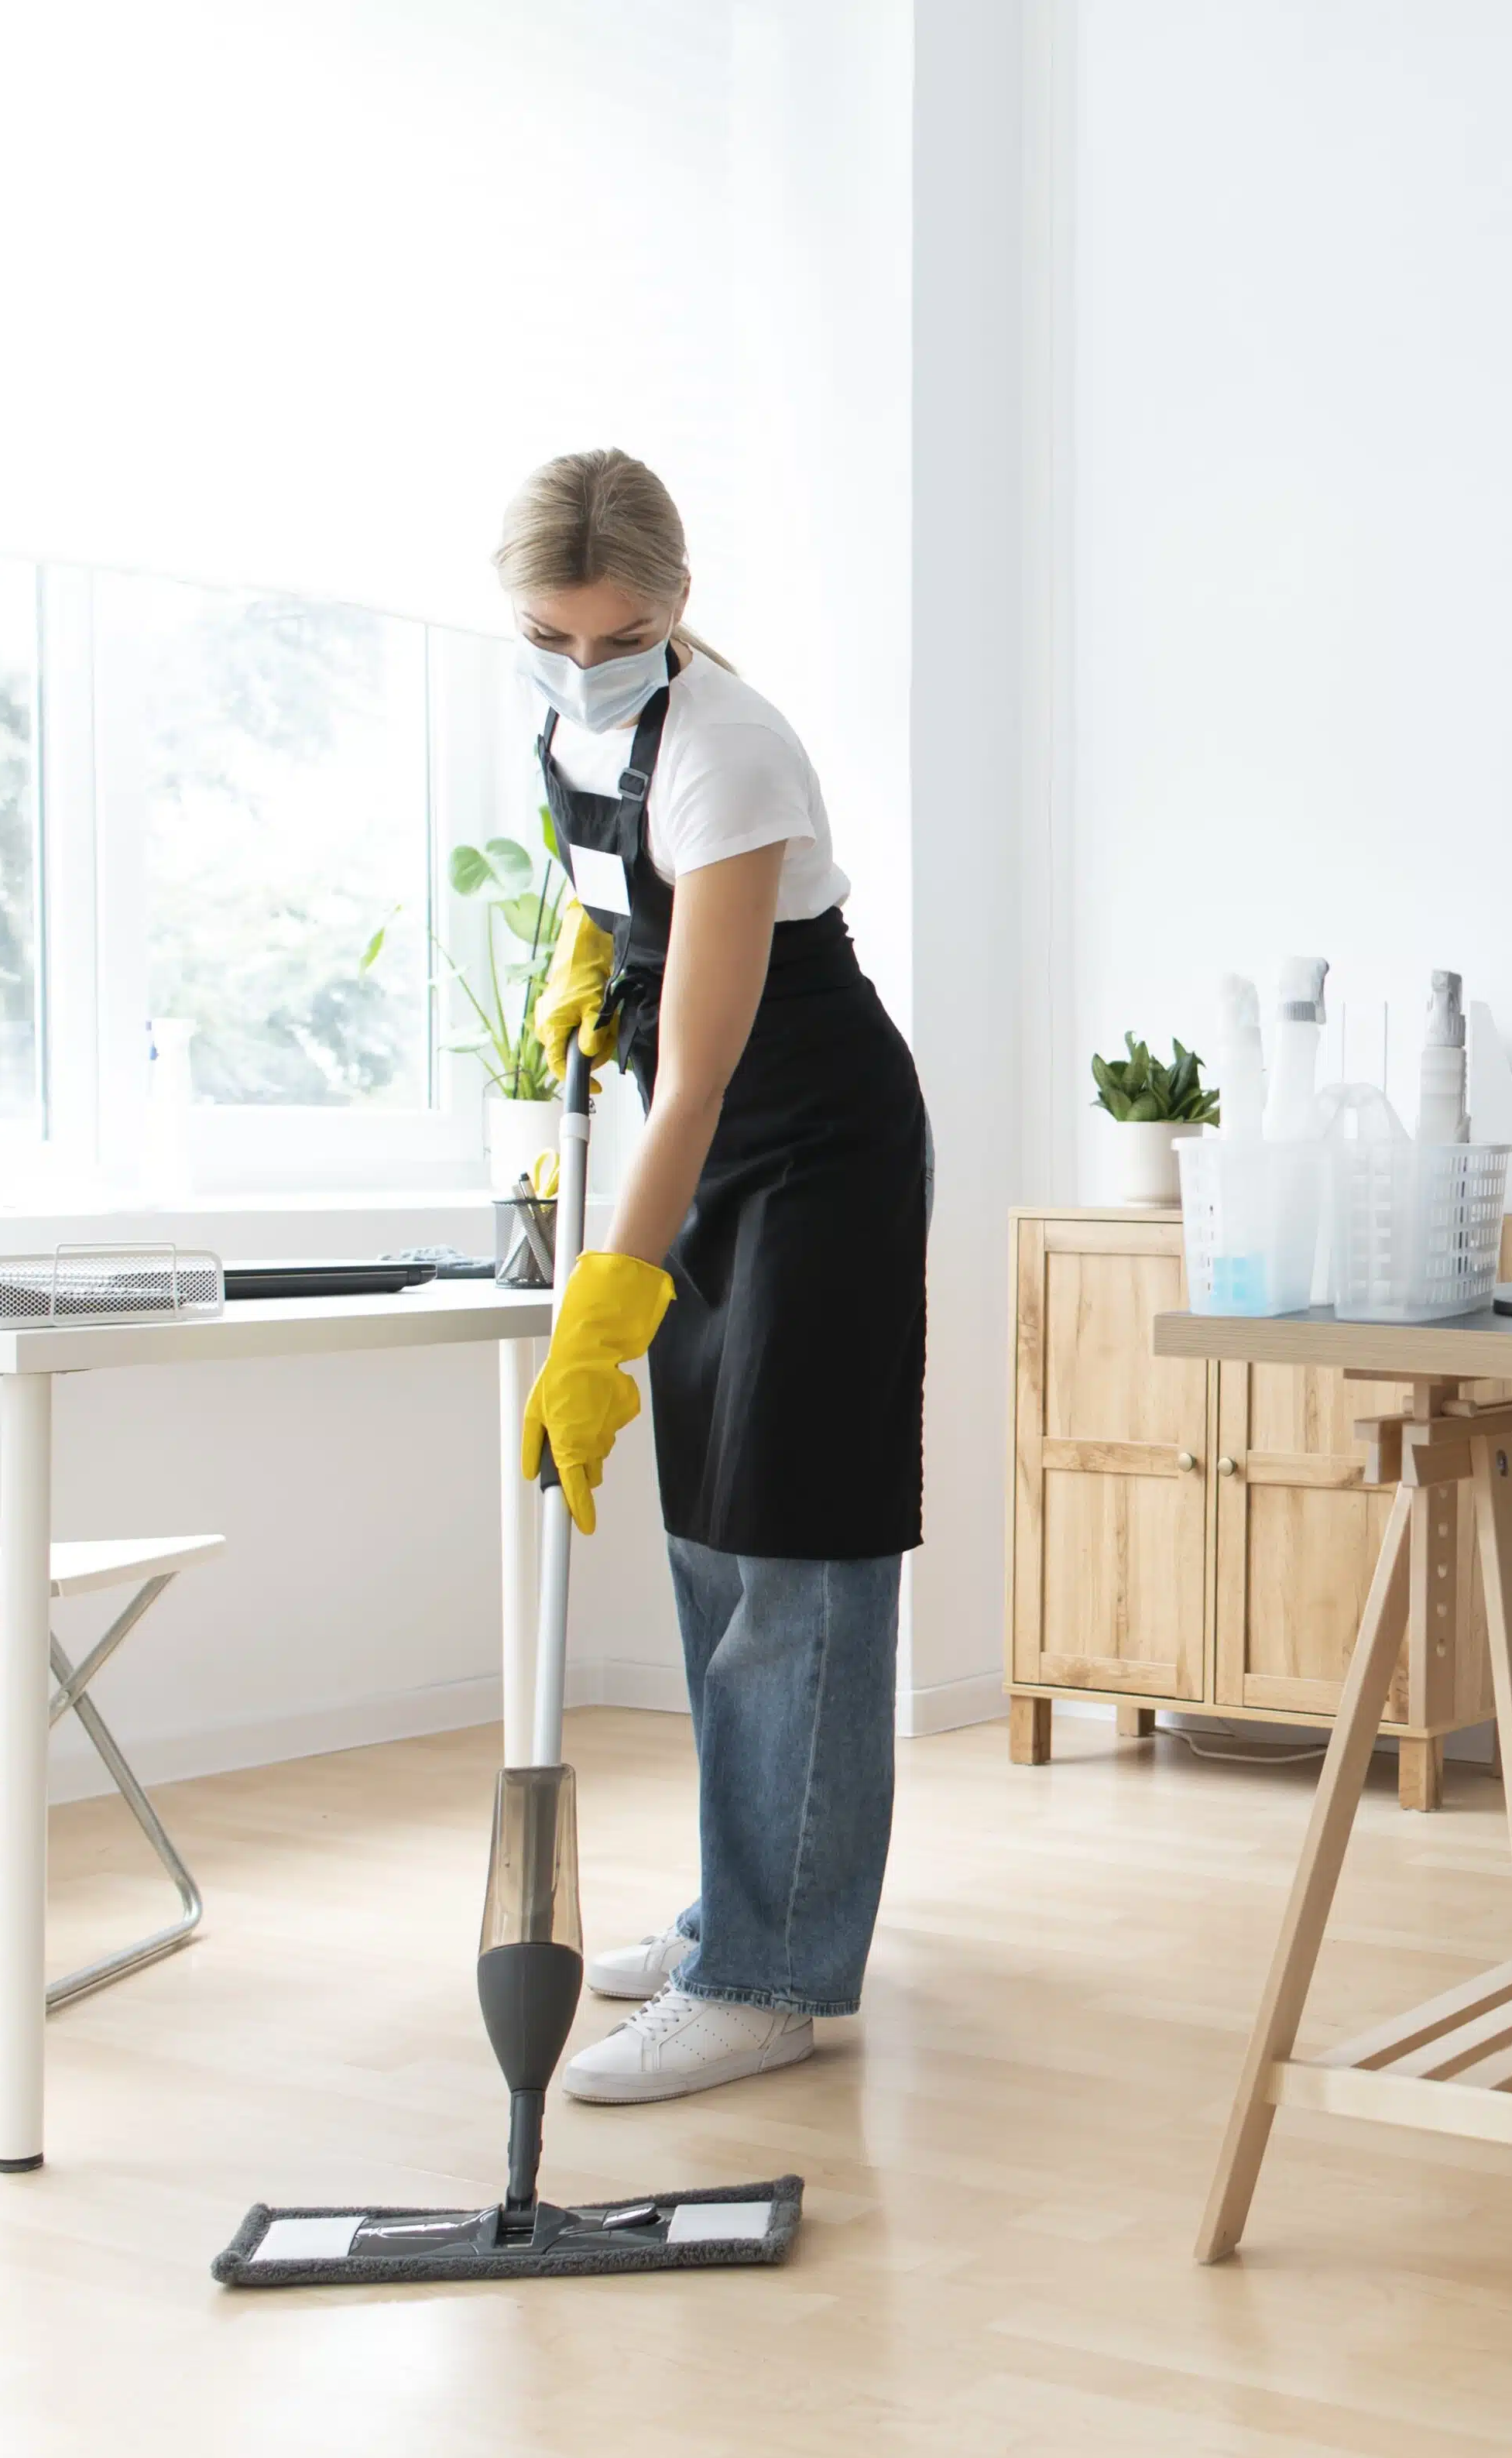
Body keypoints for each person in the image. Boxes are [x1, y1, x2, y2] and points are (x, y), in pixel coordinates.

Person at [502, 448, 930, 2106]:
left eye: (617, 638)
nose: (582, 663)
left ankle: (771, 1975)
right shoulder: (568, 723)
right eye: (551, 632)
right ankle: (734, 1911)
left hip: (809, 1148)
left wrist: (601, 1321)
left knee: (793, 1545)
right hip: (711, 1149)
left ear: (674, 613)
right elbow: (628, 922)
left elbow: (697, 1076)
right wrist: (580, 971)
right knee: (704, 1542)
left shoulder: (732, 750)